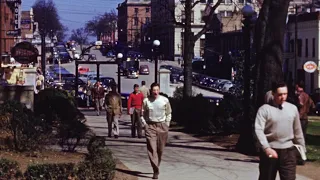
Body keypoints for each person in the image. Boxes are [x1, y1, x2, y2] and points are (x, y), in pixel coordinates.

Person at [255, 81, 305, 180]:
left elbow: (297, 130)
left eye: (285, 94)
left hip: (288, 151)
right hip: (270, 150)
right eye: (280, 94)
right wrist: (266, 148)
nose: (283, 97)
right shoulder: (264, 110)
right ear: (273, 94)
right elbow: (258, 130)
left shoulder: (292, 109)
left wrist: (302, 148)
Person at [141, 83, 172, 179]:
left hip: (162, 126)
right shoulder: (146, 101)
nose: (155, 92)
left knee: (160, 150)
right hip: (150, 126)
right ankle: (155, 170)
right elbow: (142, 114)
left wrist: (167, 124)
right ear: (151, 90)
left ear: (159, 90)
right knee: (152, 149)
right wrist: (145, 124)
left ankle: (157, 165)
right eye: (154, 90)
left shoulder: (164, 100)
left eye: (157, 90)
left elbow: (169, 113)